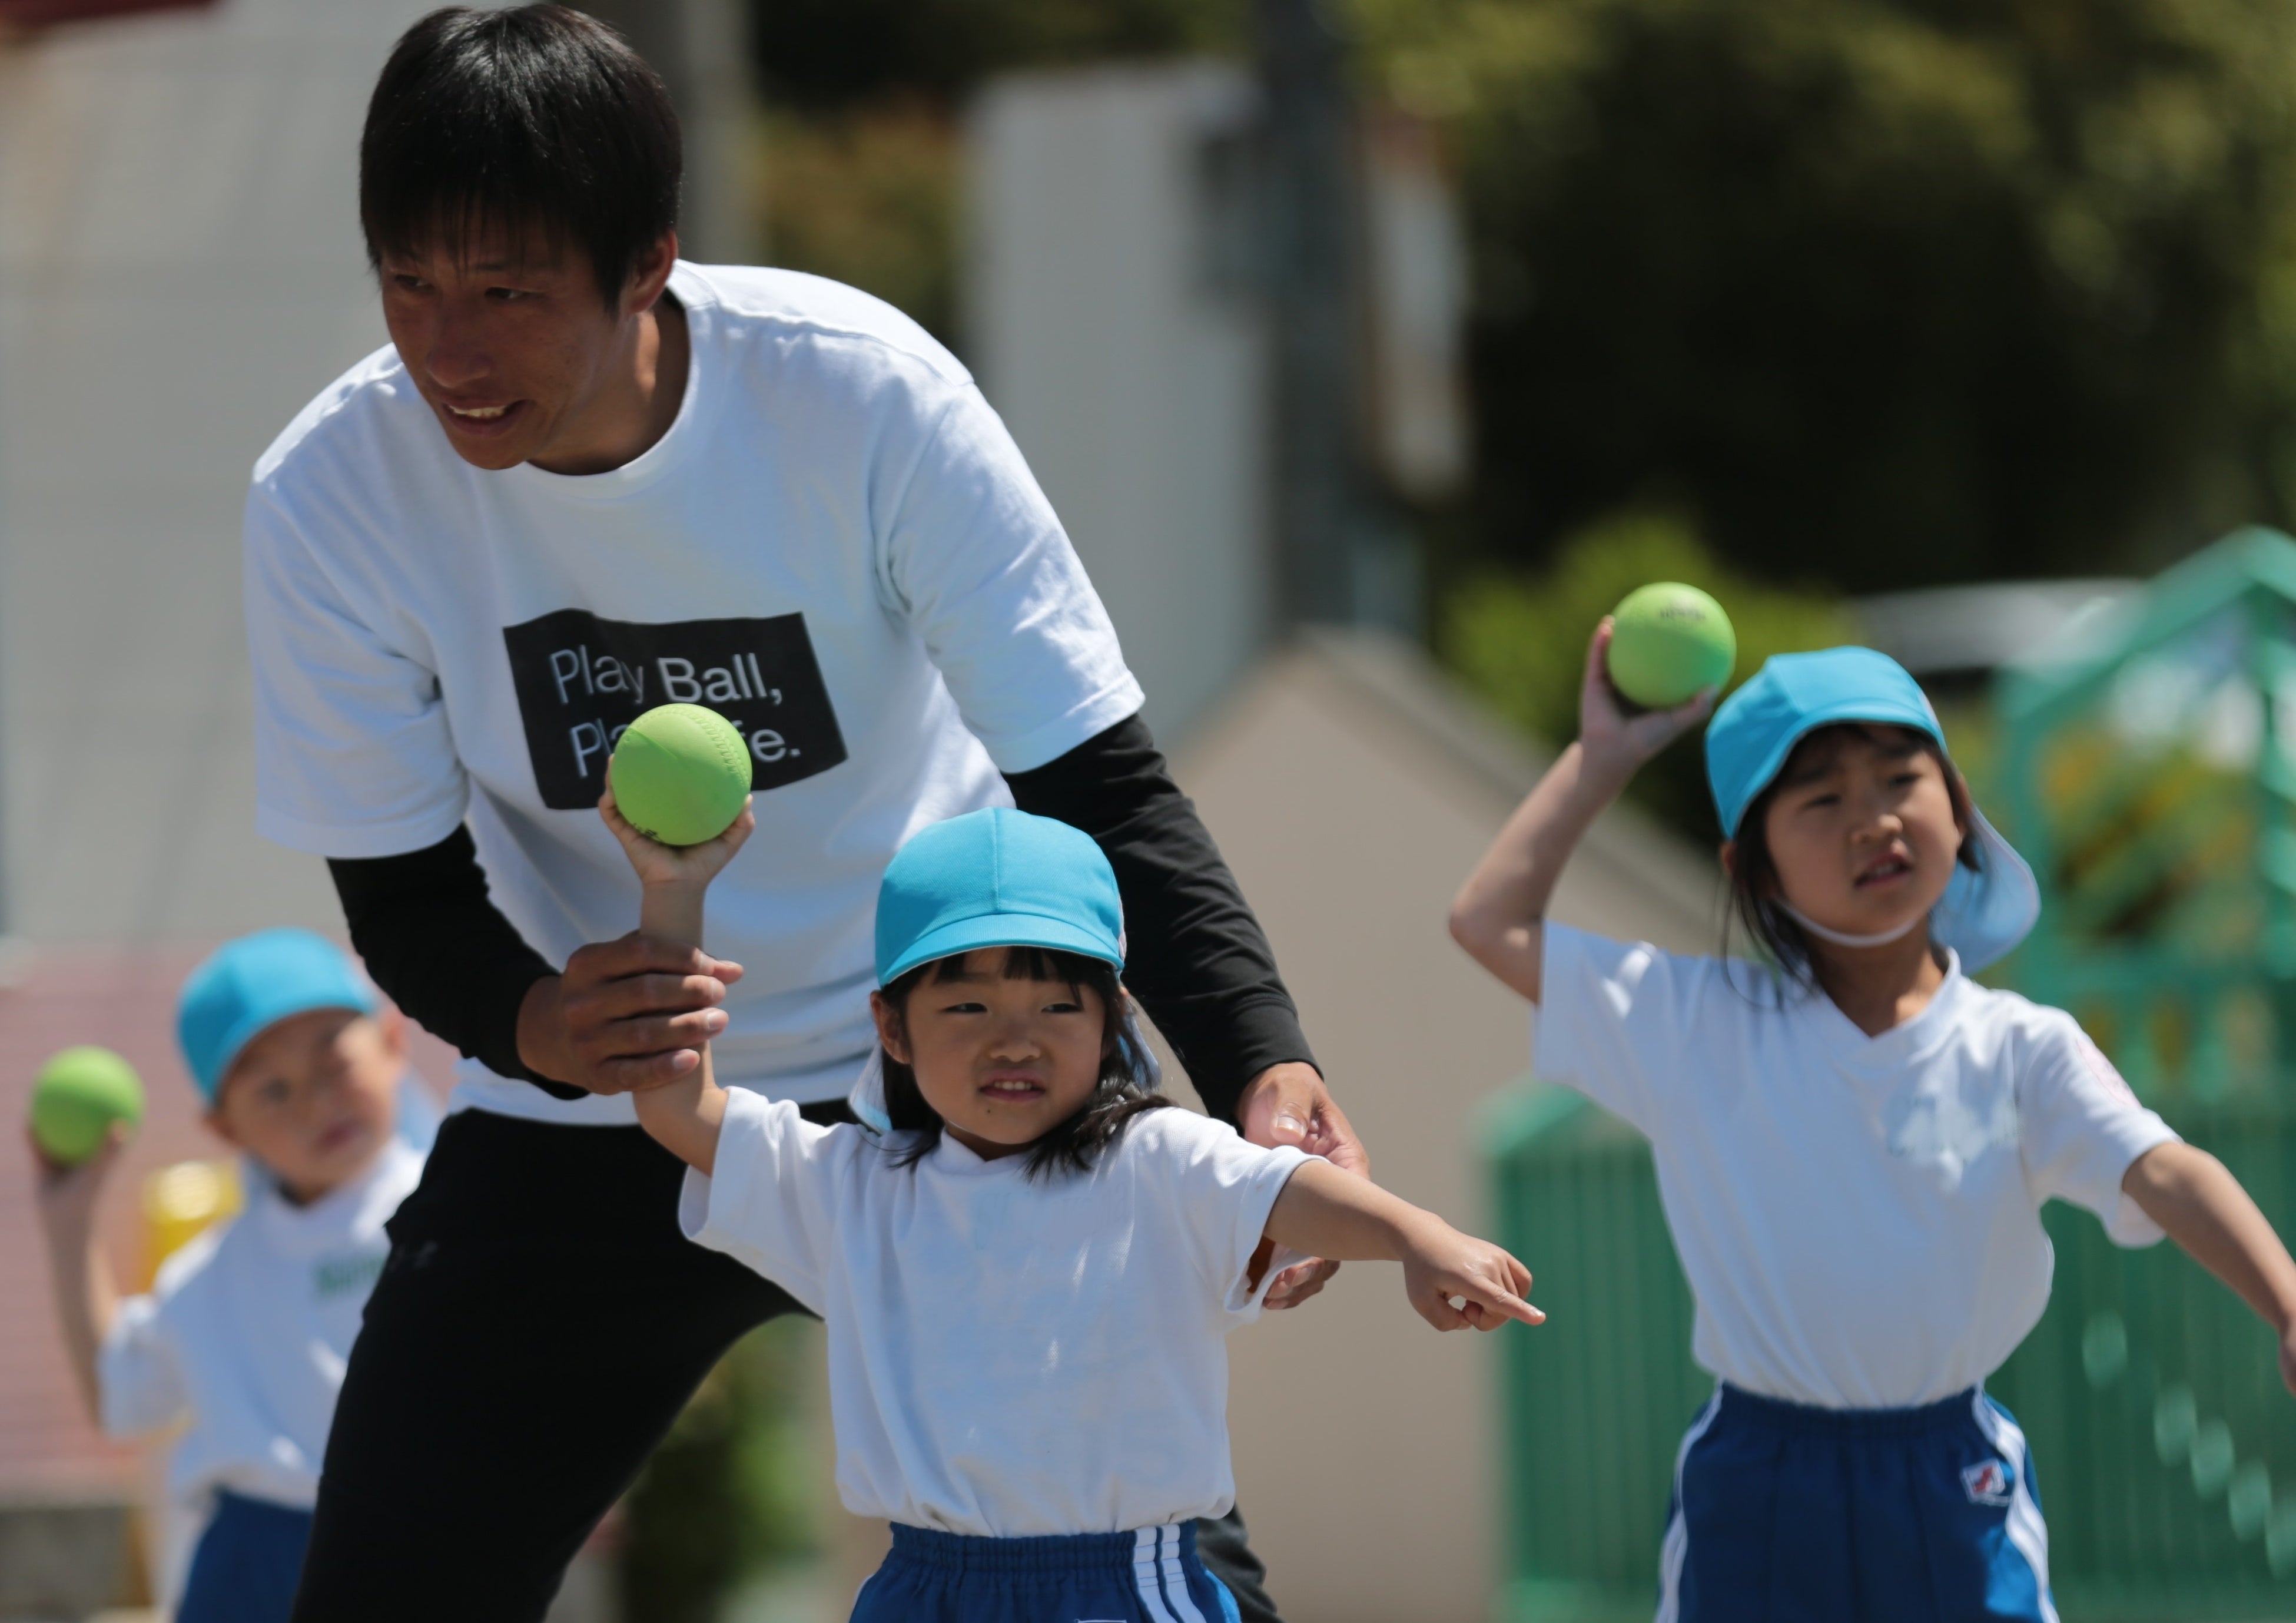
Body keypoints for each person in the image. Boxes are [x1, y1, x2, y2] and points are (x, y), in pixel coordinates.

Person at [244, 9, 1361, 1618]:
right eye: (410, 285)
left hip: (952, 1058)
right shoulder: (331, 495)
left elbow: (1093, 780)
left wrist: (1258, 1049)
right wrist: (545, 1021)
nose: (449, 350)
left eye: (506, 292)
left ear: (647, 262)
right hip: (602, 1086)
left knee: (1128, 1550)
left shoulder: (861, 399)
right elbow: (404, 890)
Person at [1448, 631, 2296, 1622]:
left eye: (1901, 776)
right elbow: (1489, 921)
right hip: (1758, 1479)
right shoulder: (1694, 1025)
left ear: (1960, 809)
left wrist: (2284, 1298)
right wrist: (1607, 755)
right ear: (1750, 867)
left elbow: (2163, 1169)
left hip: (1956, 1482)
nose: (1873, 819)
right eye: (1821, 799)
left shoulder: (2021, 1047)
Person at [600, 794, 1538, 1622]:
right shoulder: (851, 1187)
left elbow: (1288, 1191)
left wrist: (1419, 1236)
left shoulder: (1156, 1162)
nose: (1015, 1042)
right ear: (892, 1026)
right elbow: (678, 1106)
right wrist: (673, 895)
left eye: (1055, 1008)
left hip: (1124, 1588)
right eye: (966, 1009)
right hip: (922, 1589)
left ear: (1113, 1019)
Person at [30, 930, 427, 1623]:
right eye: (272, 1087)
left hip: (421, 1540)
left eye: (334, 1059)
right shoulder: (210, 1274)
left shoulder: (458, 1213)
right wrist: (70, 1228)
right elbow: (124, 1398)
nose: (314, 1101)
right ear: (224, 1128)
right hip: (251, 1562)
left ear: (392, 1043)